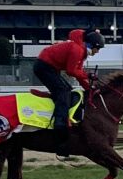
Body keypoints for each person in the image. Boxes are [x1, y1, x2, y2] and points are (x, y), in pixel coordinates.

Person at [33, 27, 105, 157]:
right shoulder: (77, 50)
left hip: (48, 66)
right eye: (98, 48)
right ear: (92, 45)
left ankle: (62, 118)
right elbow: (71, 71)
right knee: (64, 92)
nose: (98, 52)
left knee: (67, 91)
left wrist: (89, 88)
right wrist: (88, 76)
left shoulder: (81, 50)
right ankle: (60, 126)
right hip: (44, 66)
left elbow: (78, 74)